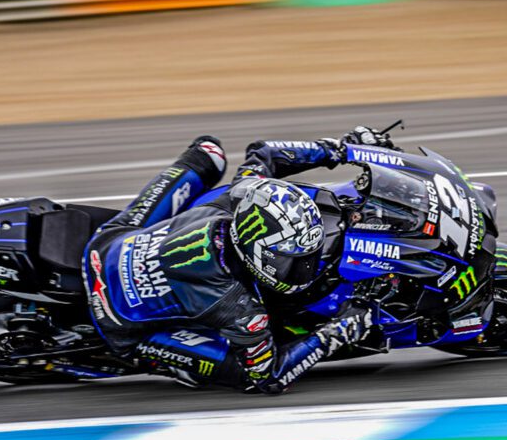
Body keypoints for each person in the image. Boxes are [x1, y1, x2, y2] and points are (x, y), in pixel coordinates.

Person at [82, 126, 399, 393]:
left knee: (209, 152)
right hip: (119, 320)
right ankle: (154, 357)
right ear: (263, 257)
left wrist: (340, 150)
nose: (308, 265)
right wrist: (337, 331)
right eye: (298, 259)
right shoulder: (238, 308)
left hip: (112, 242)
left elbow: (264, 152)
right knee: (241, 373)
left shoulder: (244, 192)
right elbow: (269, 377)